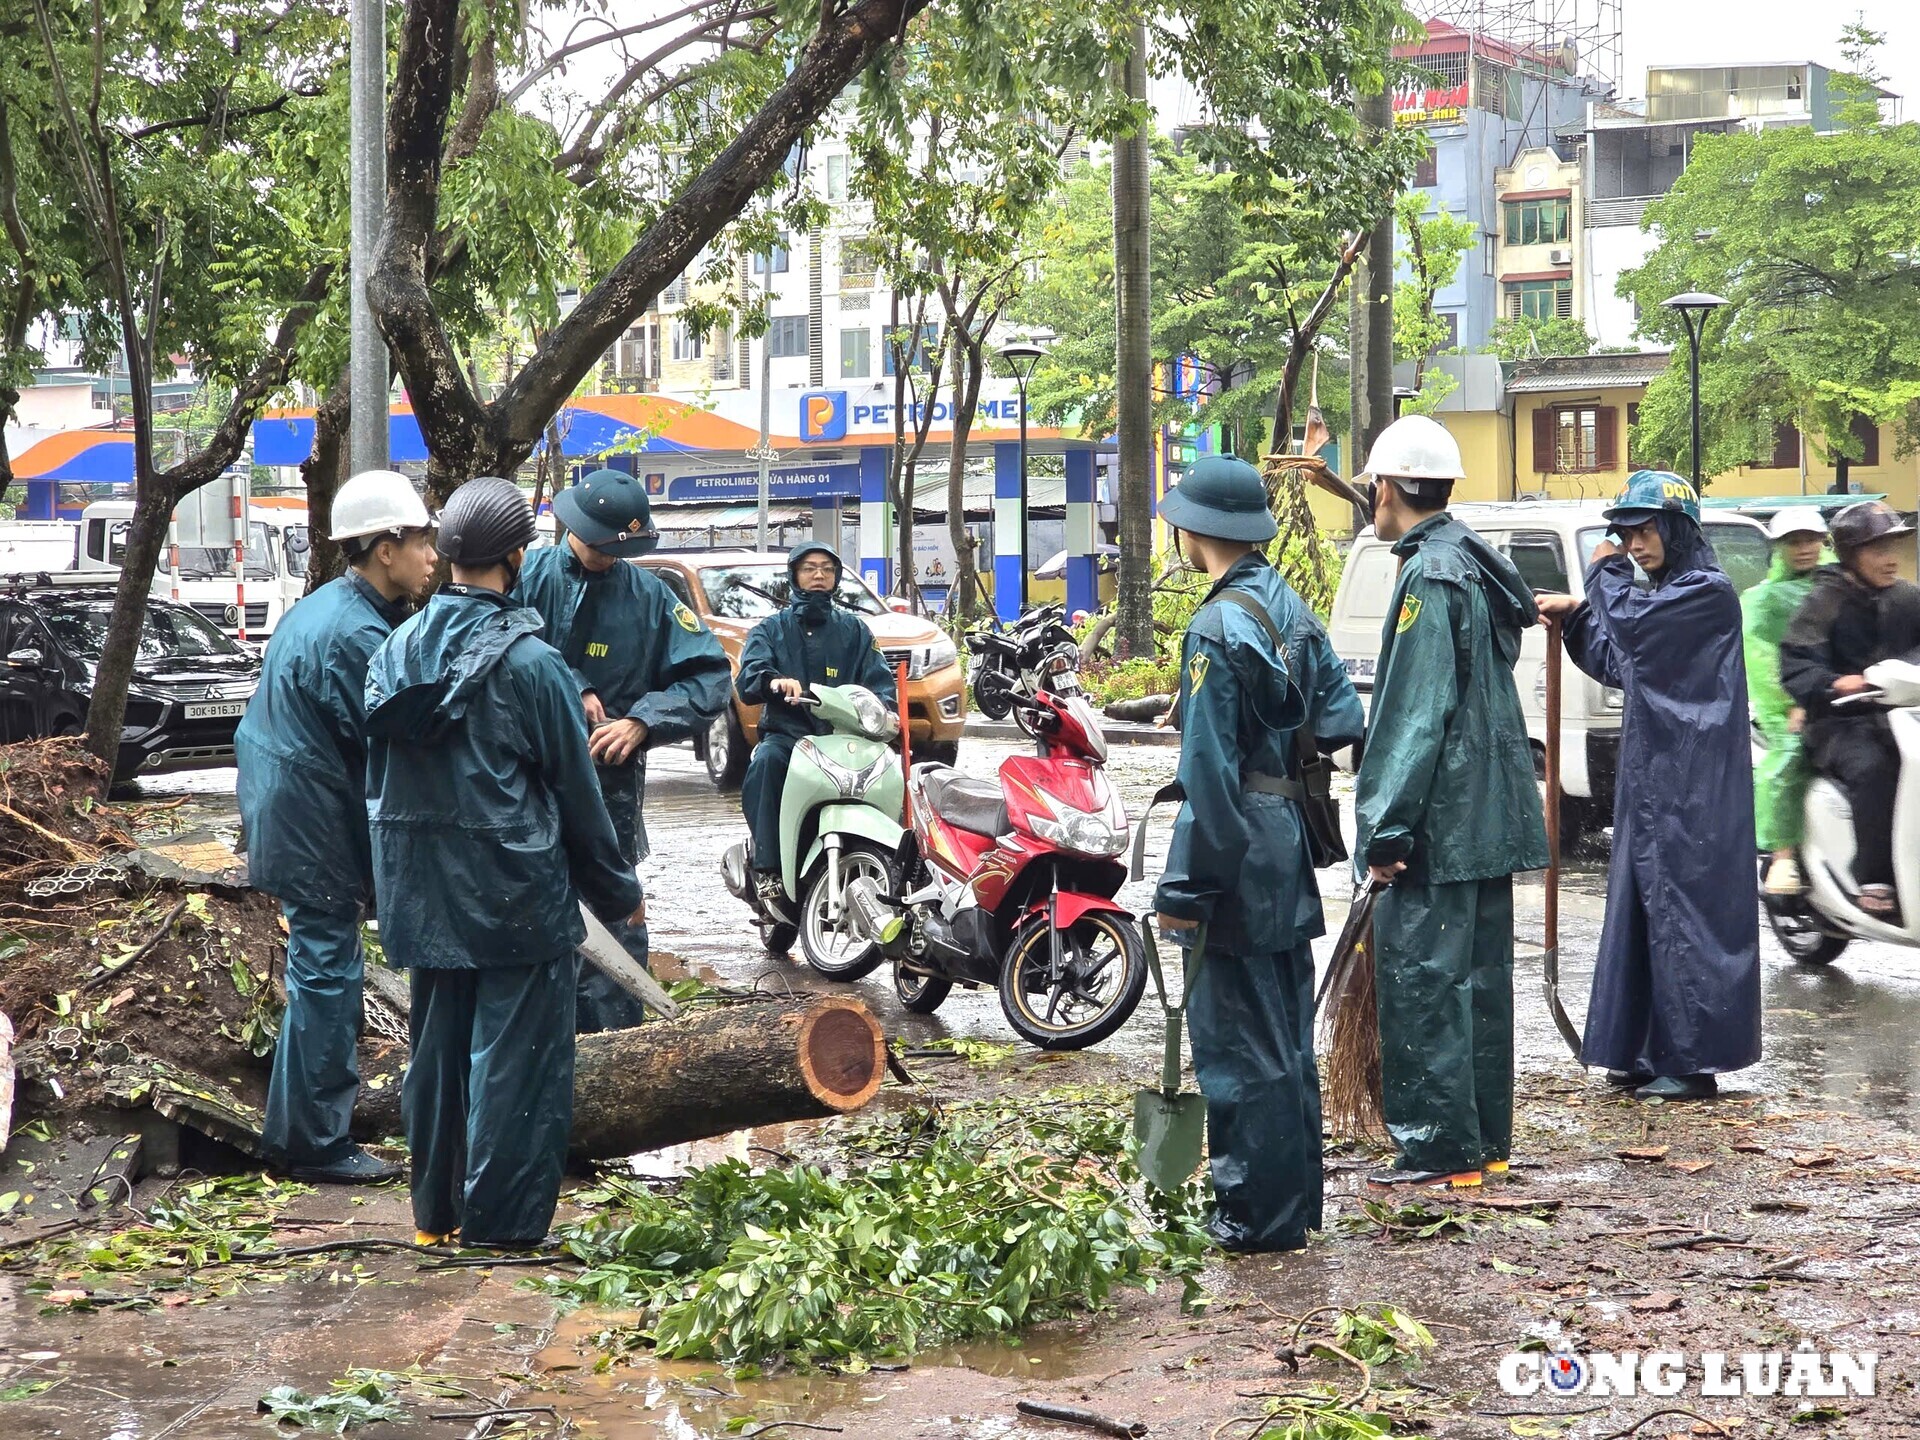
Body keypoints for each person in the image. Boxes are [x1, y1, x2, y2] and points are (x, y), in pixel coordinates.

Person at [363, 477, 643, 1247]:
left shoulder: (392, 651)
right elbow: (577, 795)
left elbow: (378, 782)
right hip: (515, 893)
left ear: (447, 553)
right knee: (517, 1066)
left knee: (439, 1056)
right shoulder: (533, 662)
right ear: (518, 555)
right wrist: (617, 892)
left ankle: (436, 1220)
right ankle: (504, 1230)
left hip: (421, 889)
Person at [1151, 455, 1365, 1252]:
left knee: (1239, 1044)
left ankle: (1253, 1218)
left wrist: (1186, 887)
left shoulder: (1213, 626)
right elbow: (1342, 722)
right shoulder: (1289, 607)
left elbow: (1206, 772)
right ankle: (1294, 1207)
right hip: (1286, 845)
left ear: (1195, 529)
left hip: (1235, 847)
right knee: (1284, 1039)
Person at [1352, 416, 1549, 1188]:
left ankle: (1439, 1149)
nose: (1371, 496)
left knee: (1428, 983)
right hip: (1489, 818)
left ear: (1391, 487)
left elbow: (1412, 714)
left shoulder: (1428, 575)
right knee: (1481, 982)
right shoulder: (1472, 563)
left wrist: (1386, 830)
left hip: (1442, 820)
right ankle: (1483, 1145)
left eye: (1374, 484)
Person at [236, 470, 438, 1183]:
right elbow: (396, 749)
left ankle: (297, 1134)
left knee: (323, 968)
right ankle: (313, 1146)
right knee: (329, 975)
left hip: (294, 803)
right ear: (385, 548)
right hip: (308, 815)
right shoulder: (355, 633)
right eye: (421, 542)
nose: (431, 556)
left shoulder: (335, 607)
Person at [1537, 471, 1760, 1102]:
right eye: (1626, 534)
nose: (1633, 544)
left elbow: (1631, 624)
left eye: (1644, 530)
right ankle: (1637, 1051)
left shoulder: (1706, 593)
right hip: (1654, 782)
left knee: (1687, 915)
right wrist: (1579, 617)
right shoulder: (1664, 597)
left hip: (1695, 789)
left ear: (1677, 528)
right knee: (1642, 909)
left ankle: (1692, 1062)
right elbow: (1618, 658)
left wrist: (1598, 577)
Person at [516, 468, 731, 1031]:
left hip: (607, 795)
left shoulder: (650, 597)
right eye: (602, 546)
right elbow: (494, 645)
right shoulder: (523, 576)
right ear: (574, 528)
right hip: (520, 792)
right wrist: (573, 682)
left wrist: (642, 720)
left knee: (612, 932)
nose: (610, 558)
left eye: (621, 550)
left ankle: (618, 1057)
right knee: (530, 940)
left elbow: (709, 678)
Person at [735, 543, 897, 916]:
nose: (819, 575)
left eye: (827, 569)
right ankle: (768, 867)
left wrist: (886, 710)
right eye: (809, 568)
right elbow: (751, 675)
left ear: (837, 577)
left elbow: (879, 681)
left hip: (844, 739)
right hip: (788, 737)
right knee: (766, 765)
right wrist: (774, 682)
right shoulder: (770, 629)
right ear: (794, 576)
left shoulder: (855, 630)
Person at [1780, 500, 1920, 919]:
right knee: (1879, 766)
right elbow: (1795, 663)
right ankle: (1874, 877)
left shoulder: (1907, 598)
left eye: (1892, 548)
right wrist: (1832, 682)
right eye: (1878, 550)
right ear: (1851, 555)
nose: (1890, 559)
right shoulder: (1824, 600)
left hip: (1904, 717)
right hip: (1841, 723)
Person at [1743, 508, 1829, 896]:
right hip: (1792, 706)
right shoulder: (1764, 600)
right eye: (1794, 541)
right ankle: (1782, 857)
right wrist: (1795, 700)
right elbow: (1762, 660)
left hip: (1849, 694)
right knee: (1791, 758)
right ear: (1780, 548)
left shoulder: (1843, 584)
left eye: (1810, 539)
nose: (1804, 548)